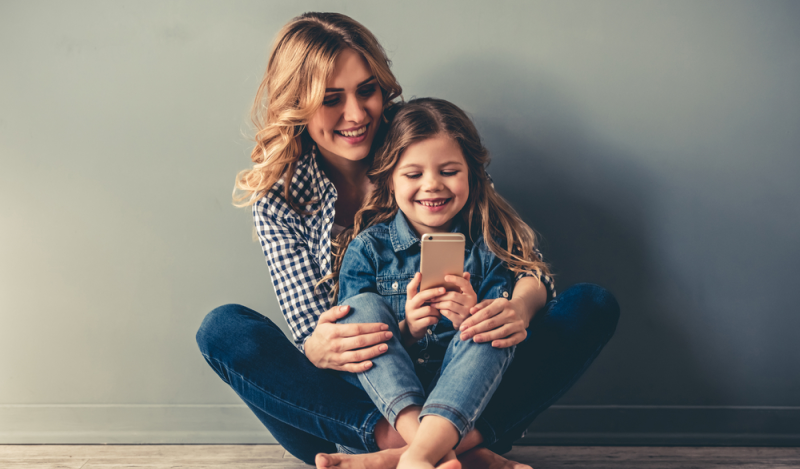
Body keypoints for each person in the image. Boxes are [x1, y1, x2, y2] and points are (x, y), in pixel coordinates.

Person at [195, 11, 620, 469]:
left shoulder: (425, 138)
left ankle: (419, 452)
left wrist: (516, 310)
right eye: (331, 98)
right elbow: (319, 334)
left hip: (466, 383)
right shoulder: (279, 200)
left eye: (367, 90)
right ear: (298, 104)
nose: (356, 114)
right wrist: (316, 347)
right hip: (348, 408)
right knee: (224, 329)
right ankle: (438, 449)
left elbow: (523, 262)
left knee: (590, 304)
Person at [330, 97, 559, 469]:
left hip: (467, 399)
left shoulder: (489, 243)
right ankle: (438, 450)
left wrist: (471, 316)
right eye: (414, 174)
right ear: (389, 179)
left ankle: (415, 457)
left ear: (472, 174)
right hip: (391, 406)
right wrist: (407, 329)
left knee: (490, 325)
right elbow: (353, 348)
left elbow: (520, 304)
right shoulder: (368, 248)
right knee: (361, 309)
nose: (432, 186)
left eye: (449, 171)